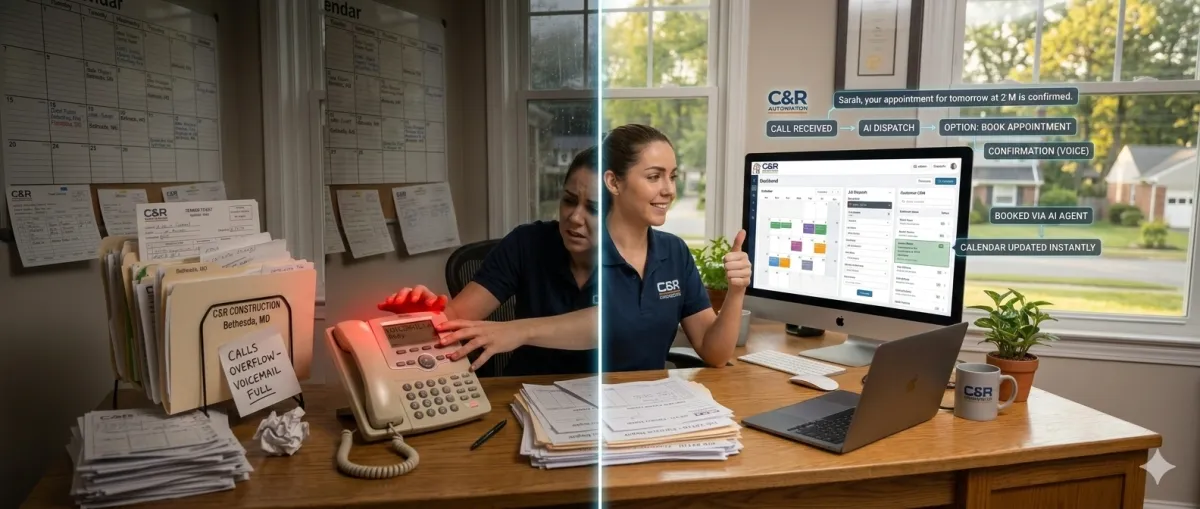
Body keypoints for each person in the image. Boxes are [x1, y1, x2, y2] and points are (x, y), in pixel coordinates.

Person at [378, 147, 599, 376]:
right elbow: (455, 316)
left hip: (618, 395)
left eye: (594, 208)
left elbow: (609, 323)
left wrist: (519, 330)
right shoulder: (527, 243)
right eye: (569, 201)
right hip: (527, 389)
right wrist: (423, 319)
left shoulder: (636, 260)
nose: (574, 217)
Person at [600, 124, 751, 371]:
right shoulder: (582, 252)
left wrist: (736, 291)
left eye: (672, 177)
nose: (669, 190)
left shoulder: (674, 252)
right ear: (614, 182)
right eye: (653, 176)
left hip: (653, 402)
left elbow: (715, 354)